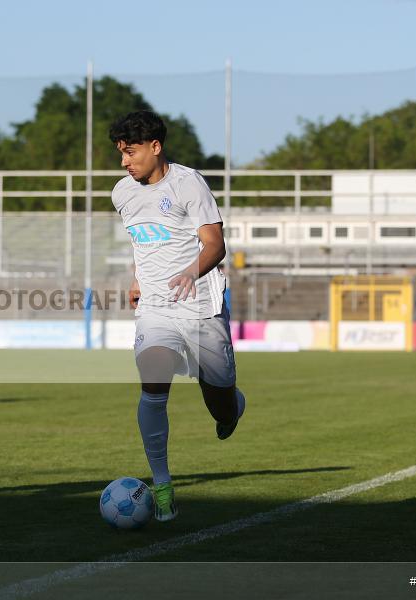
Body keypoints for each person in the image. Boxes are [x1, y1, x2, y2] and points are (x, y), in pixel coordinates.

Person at [109, 110, 247, 522]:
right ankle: (163, 483)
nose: (124, 162)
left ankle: (231, 406)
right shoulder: (122, 193)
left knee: (219, 398)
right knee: (153, 386)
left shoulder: (189, 183)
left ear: (155, 147)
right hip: (155, 308)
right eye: (120, 153)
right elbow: (143, 246)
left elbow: (215, 244)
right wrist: (137, 280)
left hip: (202, 306)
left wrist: (190, 271)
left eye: (130, 152)